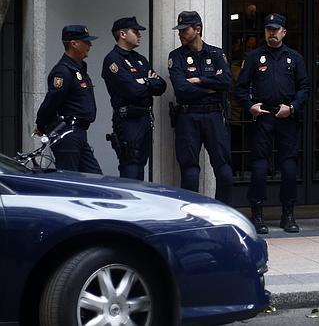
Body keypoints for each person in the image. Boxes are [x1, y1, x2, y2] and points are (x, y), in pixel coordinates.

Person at [235, 13, 310, 234]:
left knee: (288, 167)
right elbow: (240, 87)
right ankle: (257, 214)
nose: (272, 33)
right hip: (263, 115)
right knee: (259, 166)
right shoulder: (254, 57)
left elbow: (304, 87)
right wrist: (249, 106)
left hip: (286, 115)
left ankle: (288, 214)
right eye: (268, 29)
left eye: (276, 30)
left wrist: (293, 107)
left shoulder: (294, 58)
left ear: (284, 32)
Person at [168, 11, 233, 204]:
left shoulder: (216, 53)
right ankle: (192, 214)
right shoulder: (176, 56)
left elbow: (227, 81)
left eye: (184, 30)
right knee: (190, 171)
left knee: (224, 169)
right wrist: (211, 88)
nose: (180, 34)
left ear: (197, 30)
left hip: (214, 115)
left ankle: (223, 212)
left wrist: (200, 80)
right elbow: (181, 89)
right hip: (188, 116)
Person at [102, 17, 166, 180]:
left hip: (144, 118)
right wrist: (148, 82)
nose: (139, 35)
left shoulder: (140, 59)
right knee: (131, 164)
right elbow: (132, 91)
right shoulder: (113, 60)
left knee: (141, 164)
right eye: (135, 31)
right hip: (128, 119)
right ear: (123, 34)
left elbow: (161, 86)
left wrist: (144, 82)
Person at [35, 25, 102, 174]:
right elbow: (51, 100)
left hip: (78, 133)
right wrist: (41, 124)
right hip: (67, 132)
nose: (90, 45)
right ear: (74, 43)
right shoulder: (63, 70)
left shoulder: (78, 69)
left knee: (94, 178)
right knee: (69, 180)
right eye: (86, 41)